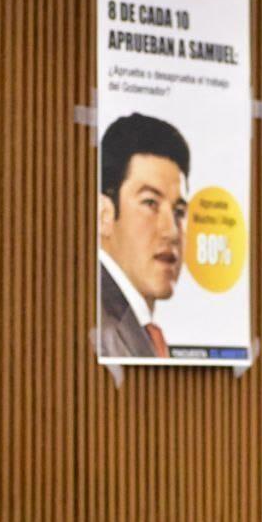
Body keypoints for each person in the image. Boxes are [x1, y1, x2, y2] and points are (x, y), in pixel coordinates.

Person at [97, 112, 189, 358]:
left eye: (179, 211)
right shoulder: (100, 325)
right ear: (104, 214)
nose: (171, 231)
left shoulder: (135, 326)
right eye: (150, 203)